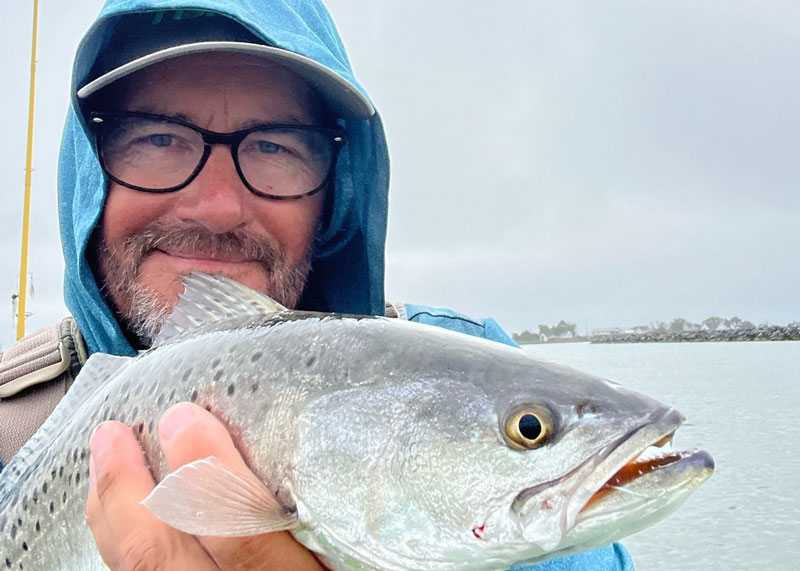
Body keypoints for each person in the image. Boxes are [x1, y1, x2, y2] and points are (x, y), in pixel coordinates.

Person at [0, 1, 633, 569]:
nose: (217, 207)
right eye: (157, 138)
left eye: (274, 146)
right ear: (87, 169)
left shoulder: (475, 361)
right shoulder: (10, 427)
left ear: (336, 191)